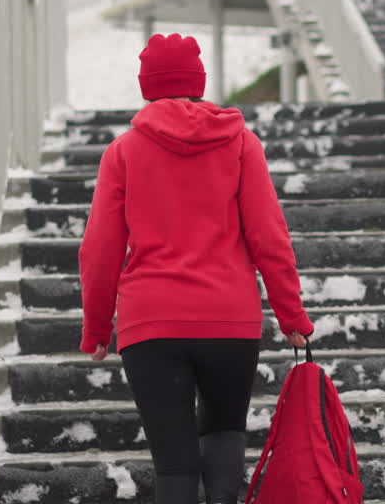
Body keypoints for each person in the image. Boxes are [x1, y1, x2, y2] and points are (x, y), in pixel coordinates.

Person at [79, 33, 315, 504]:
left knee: (175, 465)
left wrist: (97, 326)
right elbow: (270, 237)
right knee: (224, 435)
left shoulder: (123, 153)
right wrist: (292, 316)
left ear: (147, 86)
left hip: (151, 325)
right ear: (199, 83)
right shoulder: (242, 144)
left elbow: (100, 249)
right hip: (229, 320)